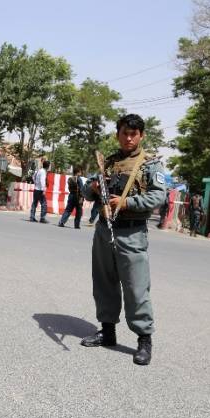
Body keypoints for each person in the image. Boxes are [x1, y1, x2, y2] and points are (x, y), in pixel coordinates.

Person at [80, 114, 166, 366]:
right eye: (124, 133)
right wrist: (94, 187)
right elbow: (88, 192)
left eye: (134, 134)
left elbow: (157, 197)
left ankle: (144, 340)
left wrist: (127, 202)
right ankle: (107, 331)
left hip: (132, 232)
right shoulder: (108, 162)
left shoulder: (150, 165)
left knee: (136, 287)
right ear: (117, 134)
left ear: (141, 136)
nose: (128, 138)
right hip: (105, 230)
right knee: (104, 282)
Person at [30, 158, 49, 223]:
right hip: (40, 190)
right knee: (44, 204)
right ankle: (42, 218)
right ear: (48, 166)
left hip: (36, 189)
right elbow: (42, 181)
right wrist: (43, 189)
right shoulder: (43, 172)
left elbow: (33, 177)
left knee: (34, 203)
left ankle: (32, 217)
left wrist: (36, 183)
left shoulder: (39, 170)